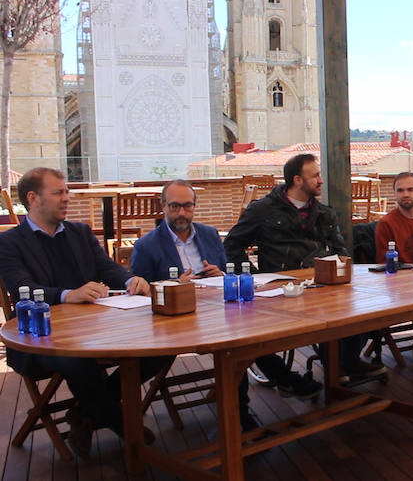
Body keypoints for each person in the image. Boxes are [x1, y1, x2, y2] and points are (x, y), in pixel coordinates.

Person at [0, 167, 167, 458]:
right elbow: (22, 288)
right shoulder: (9, 242)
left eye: (67, 191)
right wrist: (68, 295)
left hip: (95, 329)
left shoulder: (79, 232)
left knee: (161, 347)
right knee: (79, 363)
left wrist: (129, 279)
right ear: (33, 198)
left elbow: (106, 268)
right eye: (58, 192)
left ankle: (84, 413)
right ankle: (126, 428)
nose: (67, 198)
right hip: (41, 337)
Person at [130, 179, 321, 431]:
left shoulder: (208, 234)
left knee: (250, 328)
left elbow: (225, 270)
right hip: (177, 322)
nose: (181, 213)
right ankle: (247, 411)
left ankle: (277, 385)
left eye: (188, 206)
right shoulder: (146, 246)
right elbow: (141, 293)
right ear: (163, 206)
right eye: (175, 207)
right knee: (234, 345)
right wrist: (175, 285)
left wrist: (219, 273)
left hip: (216, 308)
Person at [223, 154, 385, 382]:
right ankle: (291, 378)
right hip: (281, 295)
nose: (320, 180)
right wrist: (258, 278)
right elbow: (232, 246)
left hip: (322, 289)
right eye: (315, 175)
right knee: (249, 328)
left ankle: (345, 362)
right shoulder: (262, 210)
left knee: (368, 307)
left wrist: (337, 274)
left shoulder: (324, 214)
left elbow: (341, 252)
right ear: (298, 180)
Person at [374, 172, 413, 359]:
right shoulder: (386, 223)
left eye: (410, 189)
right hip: (399, 284)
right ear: (394, 194)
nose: (405, 194)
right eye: (400, 190)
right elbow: (384, 264)